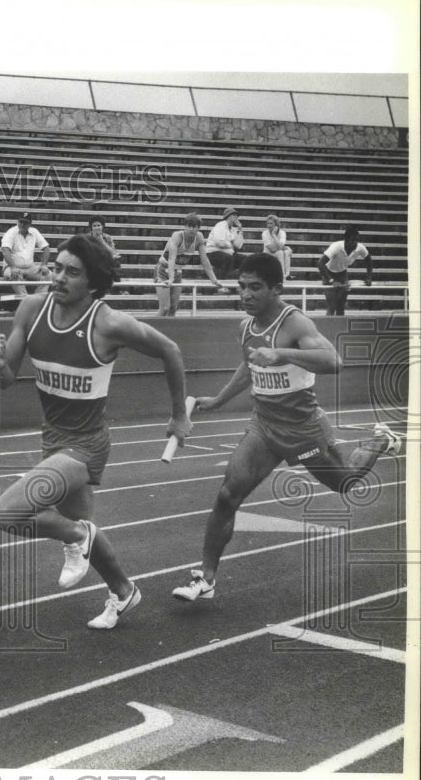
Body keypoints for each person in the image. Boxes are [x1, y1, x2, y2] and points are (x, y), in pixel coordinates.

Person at [0, 235, 193, 629]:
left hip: (87, 445)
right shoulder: (31, 309)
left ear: (93, 284)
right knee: (88, 535)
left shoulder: (108, 322)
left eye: (71, 273)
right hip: (53, 440)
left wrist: (178, 415)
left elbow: (171, 350)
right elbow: (8, 380)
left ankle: (75, 535)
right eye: (56, 267)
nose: (58, 277)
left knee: (6, 513)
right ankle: (123, 590)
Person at [171, 253, 402, 603]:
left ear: (276, 289)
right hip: (264, 426)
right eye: (241, 287)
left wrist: (284, 354)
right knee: (227, 495)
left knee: (347, 481)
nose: (245, 295)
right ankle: (206, 577)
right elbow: (250, 367)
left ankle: (379, 440)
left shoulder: (294, 323)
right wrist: (218, 400)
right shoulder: (245, 326)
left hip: (302, 427)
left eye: (255, 288)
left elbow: (334, 362)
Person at [154, 213, 222, 316]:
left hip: (177, 272)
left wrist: (214, 279)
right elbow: (172, 258)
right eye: (188, 226)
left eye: (193, 226)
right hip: (163, 270)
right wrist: (171, 278)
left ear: (198, 228)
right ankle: (147, 329)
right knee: (164, 308)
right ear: (185, 226)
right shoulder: (177, 236)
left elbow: (204, 260)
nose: (190, 229)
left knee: (173, 308)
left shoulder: (199, 237)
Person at [317, 226, 373, 317]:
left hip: (342, 273)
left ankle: (340, 329)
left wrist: (369, 277)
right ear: (346, 240)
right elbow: (320, 264)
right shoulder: (336, 247)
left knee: (341, 306)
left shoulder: (360, 247)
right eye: (352, 240)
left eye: (357, 240)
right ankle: (328, 329)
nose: (355, 243)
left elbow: (369, 261)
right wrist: (331, 281)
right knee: (332, 305)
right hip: (328, 273)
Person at [1, 211, 51, 296]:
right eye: (21, 222)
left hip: (30, 268)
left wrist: (44, 265)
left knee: (48, 275)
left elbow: (46, 248)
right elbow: (5, 250)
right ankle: (25, 300)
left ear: (30, 224)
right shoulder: (11, 232)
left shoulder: (34, 232)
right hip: (11, 267)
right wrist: (13, 267)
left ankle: (37, 299)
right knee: (15, 275)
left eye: (26, 223)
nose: (22, 225)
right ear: (18, 222)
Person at [205, 206, 245, 288]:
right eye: (235, 216)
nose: (237, 218)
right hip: (212, 253)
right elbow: (219, 243)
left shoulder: (233, 230)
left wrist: (240, 230)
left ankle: (239, 284)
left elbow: (238, 245)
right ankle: (222, 285)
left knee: (245, 260)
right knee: (228, 259)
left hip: (227, 254)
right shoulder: (221, 225)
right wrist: (231, 244)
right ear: (229, 216)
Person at [84, 215, 122, 282]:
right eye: (94, 226)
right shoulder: (87, 237)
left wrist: (103, 242)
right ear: (91, 228)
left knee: (116, 260)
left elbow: (115, 254)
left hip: (105, 262)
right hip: (92, 262)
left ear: (102, 227)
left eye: (98, 225)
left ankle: (113, 278)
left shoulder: (107, 237)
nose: (96, 228)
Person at [261, 214, 292, 280]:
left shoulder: (282, 233)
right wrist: (284, 247)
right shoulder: (265, 233)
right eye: (268, 223)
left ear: (276, 225)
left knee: (286, 252)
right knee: (281, 252)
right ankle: (282, 275)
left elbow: (280, 246)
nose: (269, 225)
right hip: (268, 254)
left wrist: (274, 236)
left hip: (278, 253)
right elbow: (272, 249)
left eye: (271, 223)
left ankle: (287, 275)